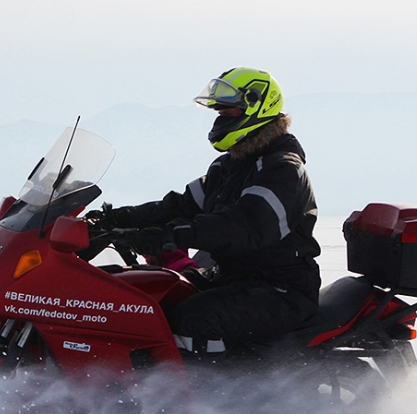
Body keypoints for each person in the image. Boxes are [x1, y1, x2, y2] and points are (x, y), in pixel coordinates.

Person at [89, 67, 321, 353]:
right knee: (150, 298)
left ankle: (216, 384)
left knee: (193, 320)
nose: (221, 117)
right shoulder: (228, 167)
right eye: (219, 111)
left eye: (228, 111)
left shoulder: (282, 168)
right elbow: (177, 206)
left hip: (281, 290)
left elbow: (244, 225)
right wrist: (114, 219)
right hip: (233, 278)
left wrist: (171, 235)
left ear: (257, 107)